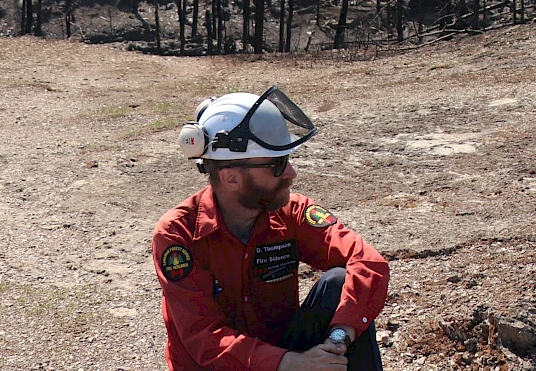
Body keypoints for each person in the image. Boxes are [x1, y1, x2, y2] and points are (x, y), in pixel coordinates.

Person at [153, 86, 390, 371]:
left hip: (284, 359)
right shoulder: (177, 234)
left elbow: (368, 263)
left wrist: (339, 337)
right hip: (224, 366)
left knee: (339, 282)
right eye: (277, 165)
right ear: (230, 177)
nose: (291, 173)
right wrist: (290, 363)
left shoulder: (293, 213)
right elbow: (204, 337)